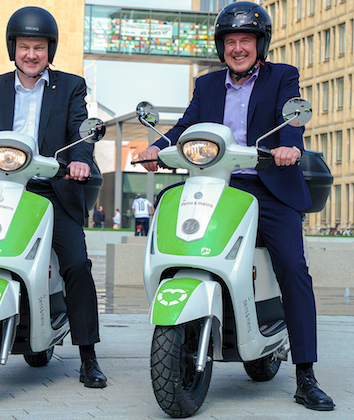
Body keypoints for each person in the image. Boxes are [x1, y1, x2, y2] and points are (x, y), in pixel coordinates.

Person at [137, 1, 334, 411]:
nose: (238, 47)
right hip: (213, 183)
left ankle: (305, 374)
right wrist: (156, 146)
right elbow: (186, 125)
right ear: (220, 46)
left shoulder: (282, 76)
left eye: (246, 39)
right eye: (230, 40)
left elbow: (291, 120)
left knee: (293, 267)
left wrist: (288, 149)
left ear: (259, 44)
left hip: (267, 186)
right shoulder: (207, 85)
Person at [0, 6, 106, 388]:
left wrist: (78, 161)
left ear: (50, 50)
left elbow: (81, 133)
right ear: (13, 48)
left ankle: (88, 356)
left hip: (49, 188)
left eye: (39, 47)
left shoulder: (71, 86)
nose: (32, 54)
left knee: (76, 263)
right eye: (25, 46)